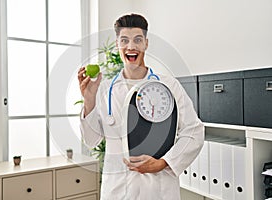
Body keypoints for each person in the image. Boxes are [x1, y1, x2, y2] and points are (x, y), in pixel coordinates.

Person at [78, 13, 204, 200]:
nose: (131, 46)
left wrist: (163, 163)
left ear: (146, 43)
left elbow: (194, 131)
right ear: (117, 44)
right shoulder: (104, 89)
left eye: (138, 40)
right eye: (125, 40)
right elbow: (91, 140)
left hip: (158, 190)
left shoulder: (168, 85)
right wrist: (89, 100)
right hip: (117, 190)